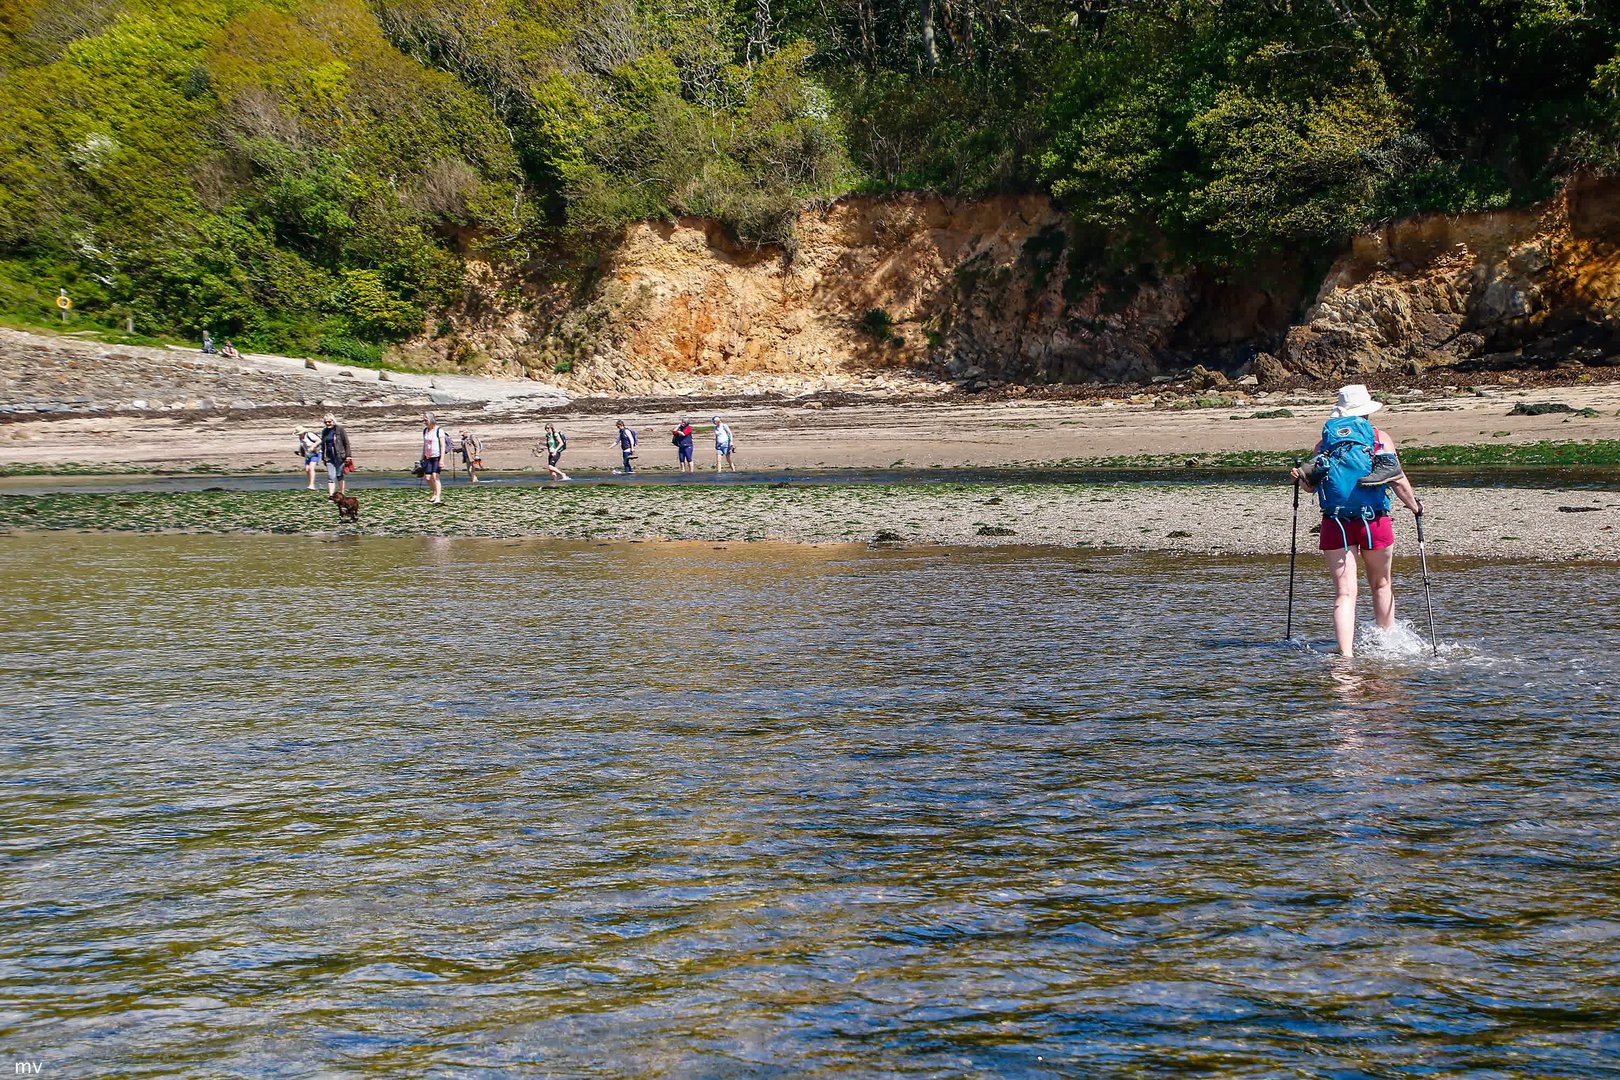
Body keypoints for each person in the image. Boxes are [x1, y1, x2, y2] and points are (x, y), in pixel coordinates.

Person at [1290, 384, 1423, 658]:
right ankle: (1387, 644)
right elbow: (1396, 478)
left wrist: (1299, 479)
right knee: (1381, 584)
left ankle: (1345, 655)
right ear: (1366, 412)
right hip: (1374, 520)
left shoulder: (1324, 443)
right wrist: (1415, 507)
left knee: (1345, 594)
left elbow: (1311, 487)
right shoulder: (1378, 437)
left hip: (1335, 522)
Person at [319, 413, 351, 497]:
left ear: (333, 421)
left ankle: (342, 494)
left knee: (339, 475)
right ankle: (331, 496)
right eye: (326, 422)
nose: (328, 424)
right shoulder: (324, 431)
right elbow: (323, 445)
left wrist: (348, 455)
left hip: (340, 456)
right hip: (329, 457)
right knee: (330, 476)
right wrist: (323, 457)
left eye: (329, 422)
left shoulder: (340, 430)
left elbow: (346, 443)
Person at [421, 412, 449, 504]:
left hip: (437, 456)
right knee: (428, 477)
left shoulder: (439, 430)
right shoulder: (425, 430)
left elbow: (442, 446)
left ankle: (438, 497)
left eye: (426, 420)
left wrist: (442, 460)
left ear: (431, 419)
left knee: (435, 476)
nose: (424, 422)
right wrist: (422, 457)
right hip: (428, 456)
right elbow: (424, 445)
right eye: (424, 420)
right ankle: (434, 492)